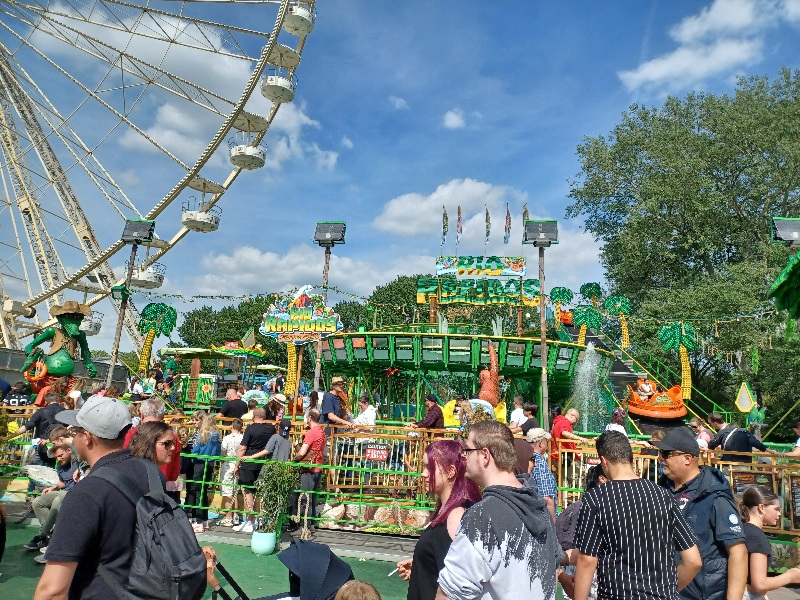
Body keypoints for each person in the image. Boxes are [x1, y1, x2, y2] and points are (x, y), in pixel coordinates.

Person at [32, 395, 146, 599]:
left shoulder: (86, 493)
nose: (72, 438)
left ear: (87, 437)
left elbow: (52, 590)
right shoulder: (150, 473)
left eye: (74, 432)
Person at [436, 420, 563, 600]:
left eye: (467, 450)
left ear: (485, 456)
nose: (463, 456)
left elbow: (449, 594)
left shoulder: (483, 516)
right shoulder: (541, 508)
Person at [573, 431, 702, 600]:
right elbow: (693, 561)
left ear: (604, 461)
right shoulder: (663, 496)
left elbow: (587, 561)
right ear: (631, 459)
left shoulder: (596, 498)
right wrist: (668, 590)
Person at [654, 427, 747, 600]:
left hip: (701, 594)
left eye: (666, 454)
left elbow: (738, 552)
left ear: (687, 458)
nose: (660, 458)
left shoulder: (714, 496)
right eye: (660, 453)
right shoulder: (662, 489)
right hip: (664, 590)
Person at [396, 440, 482, 600]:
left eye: (429, 467)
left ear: (450, 471)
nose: (423, 474)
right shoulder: (447, 509)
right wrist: (422, 565)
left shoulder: (457, 515)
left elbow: (460, 579)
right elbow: (445, 562)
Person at [739, 485, 800, 598]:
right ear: (761, 508)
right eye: (776, 509)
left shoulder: (742, 529)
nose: (779, 513)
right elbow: (760, 584)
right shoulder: (757, 537)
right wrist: (790, 576)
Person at [124, 397, 182, 501]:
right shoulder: (172, 437)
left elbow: (123, 460)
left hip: (135, 489)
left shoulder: (131, 434)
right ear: (163, 416)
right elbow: (175, 469)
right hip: (162, 488)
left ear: (142, 415)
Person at [26, 444, 79, 558]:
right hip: (65, 491)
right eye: (56, 457)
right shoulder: (60, 466)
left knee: (57, 501)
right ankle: (52, 534)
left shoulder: (78, 462)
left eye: (61, 455)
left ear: (69, 451)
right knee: (37, 502)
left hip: (77, 492)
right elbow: (64, 483)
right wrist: (52, 488)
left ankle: (42, 535)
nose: (59, 459)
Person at [234, 407, 275, 533]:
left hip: (249, 462)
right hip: (264, 462)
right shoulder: (271, 428)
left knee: (248, 491)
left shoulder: (250, 428)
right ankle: (258, 519)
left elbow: (242, 448)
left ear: (253, 416)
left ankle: (250, 520)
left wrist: (237, 464)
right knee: (260, 492)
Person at [291, 408, 326, 537]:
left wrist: (294, 459)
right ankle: (310, 525)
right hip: (318, 467)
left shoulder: (312, 432)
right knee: (311, 498)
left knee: (304, 498)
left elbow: (302, 451)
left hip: (309, 469)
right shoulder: (321, 432)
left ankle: (303, 527)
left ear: (310, 418)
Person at [186, 412, 221, 527]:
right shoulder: (216, 434)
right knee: (204, 491)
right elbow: (217, 452)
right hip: (210, 463)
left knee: (198, 491)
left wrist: (192, 455)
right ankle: (204, 520)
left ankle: (199, 521)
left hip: (200, 463)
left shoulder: (203, 435)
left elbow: (195, 451)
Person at [707, 413, 775, 465]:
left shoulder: (723, 432)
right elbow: (758, 444)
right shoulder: (746, 432)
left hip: (729, 465)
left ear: (715, 423)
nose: (710, 425)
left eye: (710, 424)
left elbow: (711, 445)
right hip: (746, 465)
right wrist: (772, 452)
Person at [526, 428, 557, 520]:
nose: (547, 444)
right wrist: (553, 524)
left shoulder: (525, 458)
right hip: (543, 518)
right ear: (540, 443)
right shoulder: (539, 463)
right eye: (546, 441)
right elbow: (547, 498)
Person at [551, 407, 586, 488]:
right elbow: (564, 432)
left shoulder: (557, 422)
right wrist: (580, 438)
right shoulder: (565, 422)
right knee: (577, 478)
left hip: (557, 455)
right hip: (564, 457)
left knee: (563, 480)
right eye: (576, 419)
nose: (576, 422)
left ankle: (563, 496)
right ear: (571, 415)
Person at [219, 418, 244, 527]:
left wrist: (222, 459)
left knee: (227, 491)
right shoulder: (243, 438)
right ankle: (236, 515)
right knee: (234, 490)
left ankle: (228, 517)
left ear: (232, 426)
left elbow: (223, 451)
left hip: (228, 463)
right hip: (238, 464)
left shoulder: (227, 438)